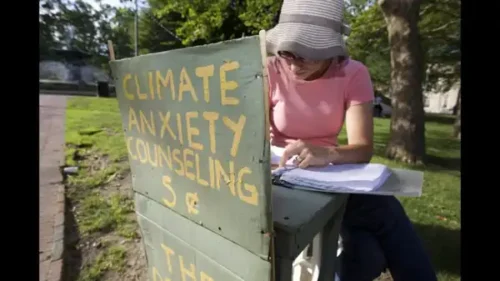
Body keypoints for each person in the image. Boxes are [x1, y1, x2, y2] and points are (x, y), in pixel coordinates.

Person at [265, 0, 438, 280]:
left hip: (332, 175)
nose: (293, 65)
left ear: (331, 50)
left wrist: (328, 153)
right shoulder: (271, 69)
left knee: (371, 240)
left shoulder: (353, 73)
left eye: (306, 54)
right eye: (287, 52)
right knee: (375, 237)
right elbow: (255, 138)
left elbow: (362, 150)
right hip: (280, 175)